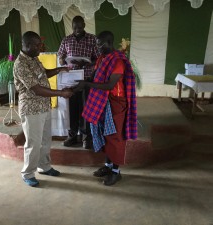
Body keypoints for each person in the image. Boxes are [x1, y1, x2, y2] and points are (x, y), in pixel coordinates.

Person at [73, 31, 137, 186]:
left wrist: (86, 85)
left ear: (109, 42)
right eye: (96, 44)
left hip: (116, 103)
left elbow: (109, 85)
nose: (97, 47)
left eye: (99, 44)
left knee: (114, 136)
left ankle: (116, 172)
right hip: (102, 101)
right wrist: (77, 81)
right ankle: (108, 166)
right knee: (104, 133)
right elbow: (93, 77)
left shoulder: (118, 61)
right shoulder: (103, 58)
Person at [13, 31, 73, 187]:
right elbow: (36, 89)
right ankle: (27, 173)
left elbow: (43, 75)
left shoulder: (34, 59)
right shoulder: (21, 64)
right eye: (38, 45)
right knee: (33, 143)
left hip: (44, 106)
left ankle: (44, 167)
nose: (41, 47)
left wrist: (60, 70)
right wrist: (61, 93)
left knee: (45, 140)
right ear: (28, 45)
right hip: (31, 109)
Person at [57, 15, 100, 149]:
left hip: (87, 79)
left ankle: (86, 138)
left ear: (84, 26)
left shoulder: (92, 39)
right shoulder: (67, 40)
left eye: (80, 27)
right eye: (75, 27)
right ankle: (73, 135)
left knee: (86, 109)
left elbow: (98, 59)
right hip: (71, 80)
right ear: (72, 26)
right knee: (73, 109)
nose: (77, 29)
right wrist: (63, 60)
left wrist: (86, 62)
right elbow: (60, 56)